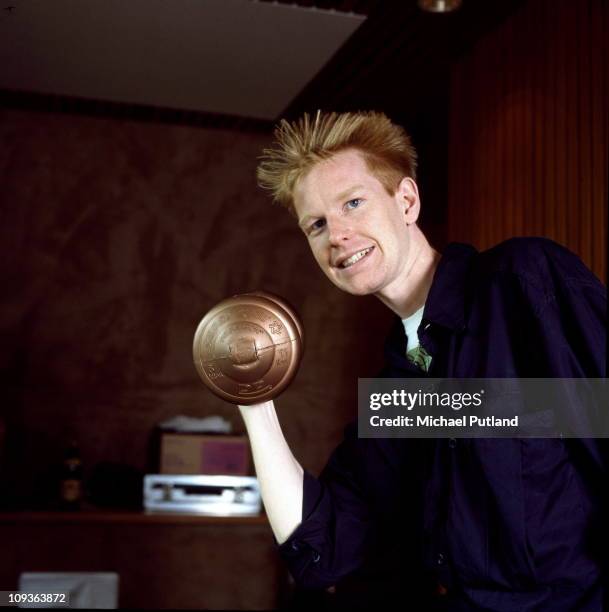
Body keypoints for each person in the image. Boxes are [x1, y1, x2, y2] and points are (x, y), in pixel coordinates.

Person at [237, 111, 607, 610]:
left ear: (406, 200)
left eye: (353, 203)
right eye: (317, 224)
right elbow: (324, 549)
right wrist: (253, 401)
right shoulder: (403, 384)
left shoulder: (522, 279)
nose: (337, 235)